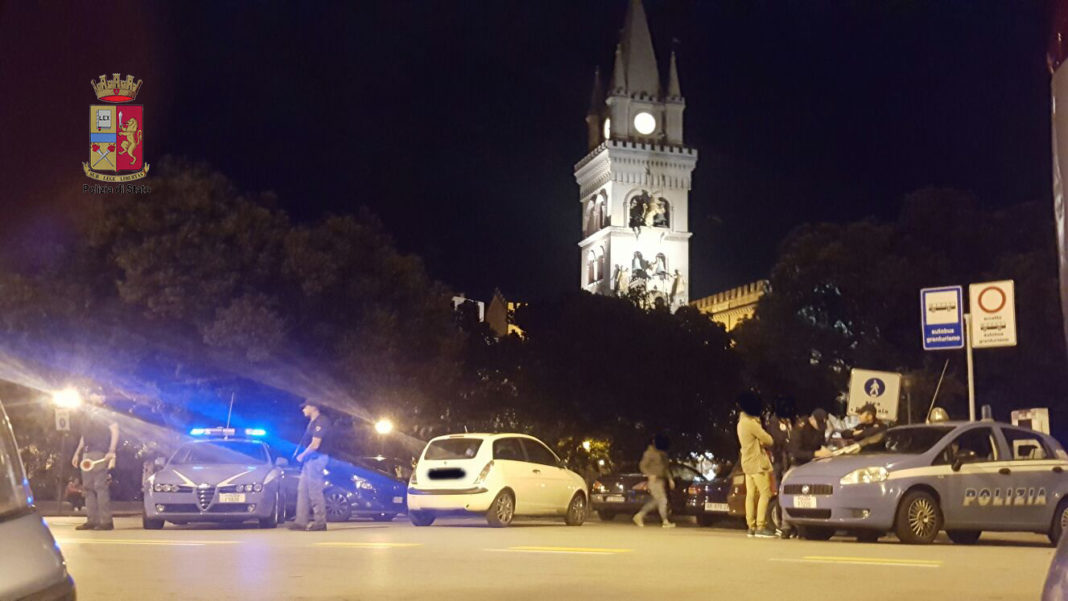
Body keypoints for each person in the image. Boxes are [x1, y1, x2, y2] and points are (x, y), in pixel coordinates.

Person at [70, 398, 118, 531]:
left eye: (96, 394)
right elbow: (84, 437)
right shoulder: (86, 413)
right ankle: (91, 520)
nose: (93, 397)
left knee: (100, 486)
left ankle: (106, 521)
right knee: (87, 488)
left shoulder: (105, 412)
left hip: (99, 452)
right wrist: (77, 453)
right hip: (87, 453)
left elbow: (115, 430)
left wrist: (111, 450)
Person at [736, 392, 776, 539]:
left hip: (747, 462)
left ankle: (751, 526)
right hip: (757, 463)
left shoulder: (740, 423)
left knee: (751, 495)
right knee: (765, 493)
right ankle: (761, 526)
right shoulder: (751, 423)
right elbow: (768, 439)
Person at [289, 401, 333, 532]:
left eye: (305, 407)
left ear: (313, 407)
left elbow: (315, 444)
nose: (303, 409)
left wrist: (301, 456)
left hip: (317, 459)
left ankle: (320, 522)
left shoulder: (322, 421)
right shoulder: (313, 422)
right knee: (302, 490)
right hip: (310, 460)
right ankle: (301, 521)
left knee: (314, 491)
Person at [632, 433, 676, 528]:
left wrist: (670, 479)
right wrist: (649, 474)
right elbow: (642, 465)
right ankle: (664, 521)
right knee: (662, 500)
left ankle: (640, 515)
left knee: (657, 500)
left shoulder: (662, 453)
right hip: (654, 480)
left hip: (661, 480)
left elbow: (665, 468)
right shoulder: (649, 453)